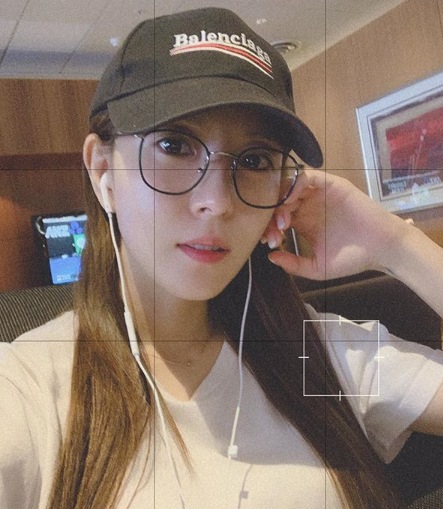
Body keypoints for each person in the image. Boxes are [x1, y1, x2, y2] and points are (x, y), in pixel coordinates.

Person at [1, 7, 442, 509]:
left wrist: (395, 245)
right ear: (103, 170)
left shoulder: (315, 355)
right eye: (174, 145)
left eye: (255, 160)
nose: (217, 201)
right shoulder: (28, 388)